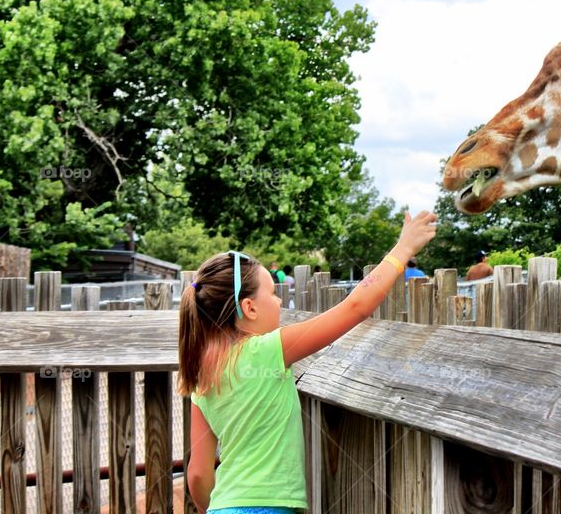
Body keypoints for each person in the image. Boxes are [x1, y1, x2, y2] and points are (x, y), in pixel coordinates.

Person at [179, 211, 437, 513]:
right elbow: (356, 307)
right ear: (249, 307)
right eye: (273, 294)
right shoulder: (269, 350)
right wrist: (403, 249)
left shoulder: (202, 376)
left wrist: (222, 507)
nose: (278, 302)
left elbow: (197, 474)